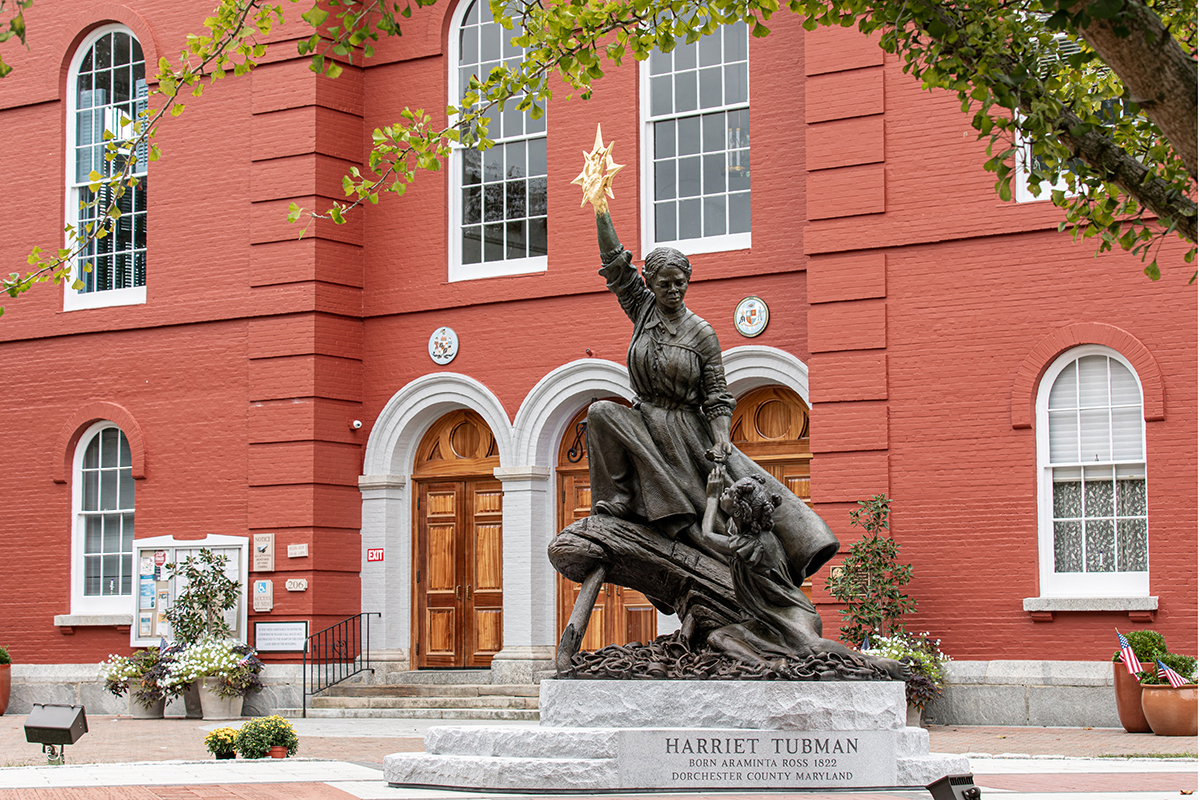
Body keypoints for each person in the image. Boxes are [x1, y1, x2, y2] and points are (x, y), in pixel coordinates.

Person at [698, 468, 909, 679]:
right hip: (765, 620)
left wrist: (712, 497)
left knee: (812, 647)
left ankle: (879, 663)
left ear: (737, 512)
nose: (725, 491)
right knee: (718, 638)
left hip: (791, 612)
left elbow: (707, 536)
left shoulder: (754, 545)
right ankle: (768, 666)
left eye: (729, 493)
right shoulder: (737, 528)